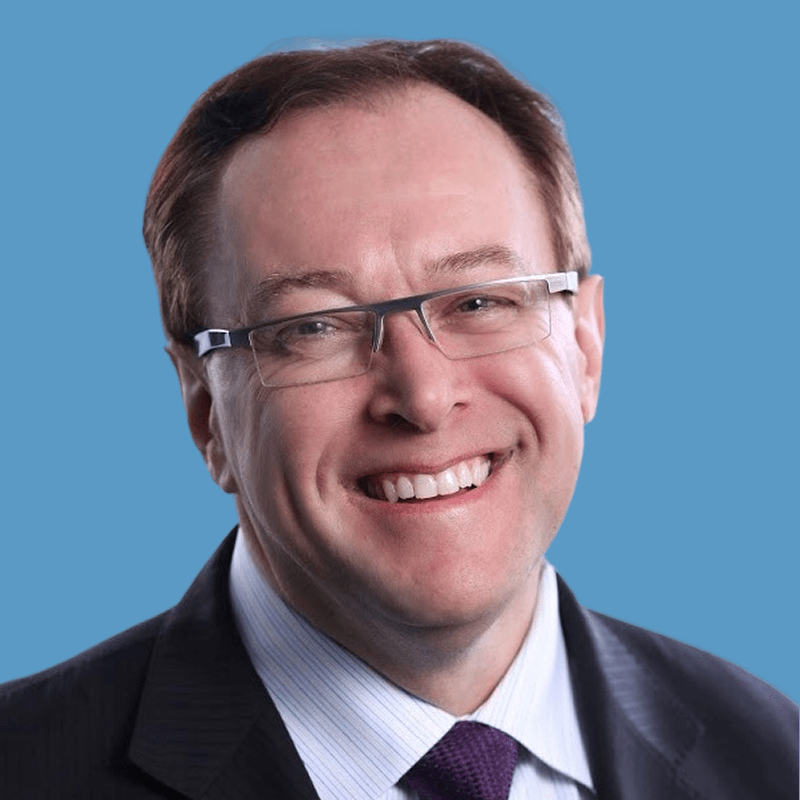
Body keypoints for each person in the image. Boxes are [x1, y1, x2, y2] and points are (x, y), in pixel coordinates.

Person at [0, 39, 796, 800]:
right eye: (313, 327)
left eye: (480, 302)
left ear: (584, 345)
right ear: (205, 410)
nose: (421, 396)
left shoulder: (771, 754)